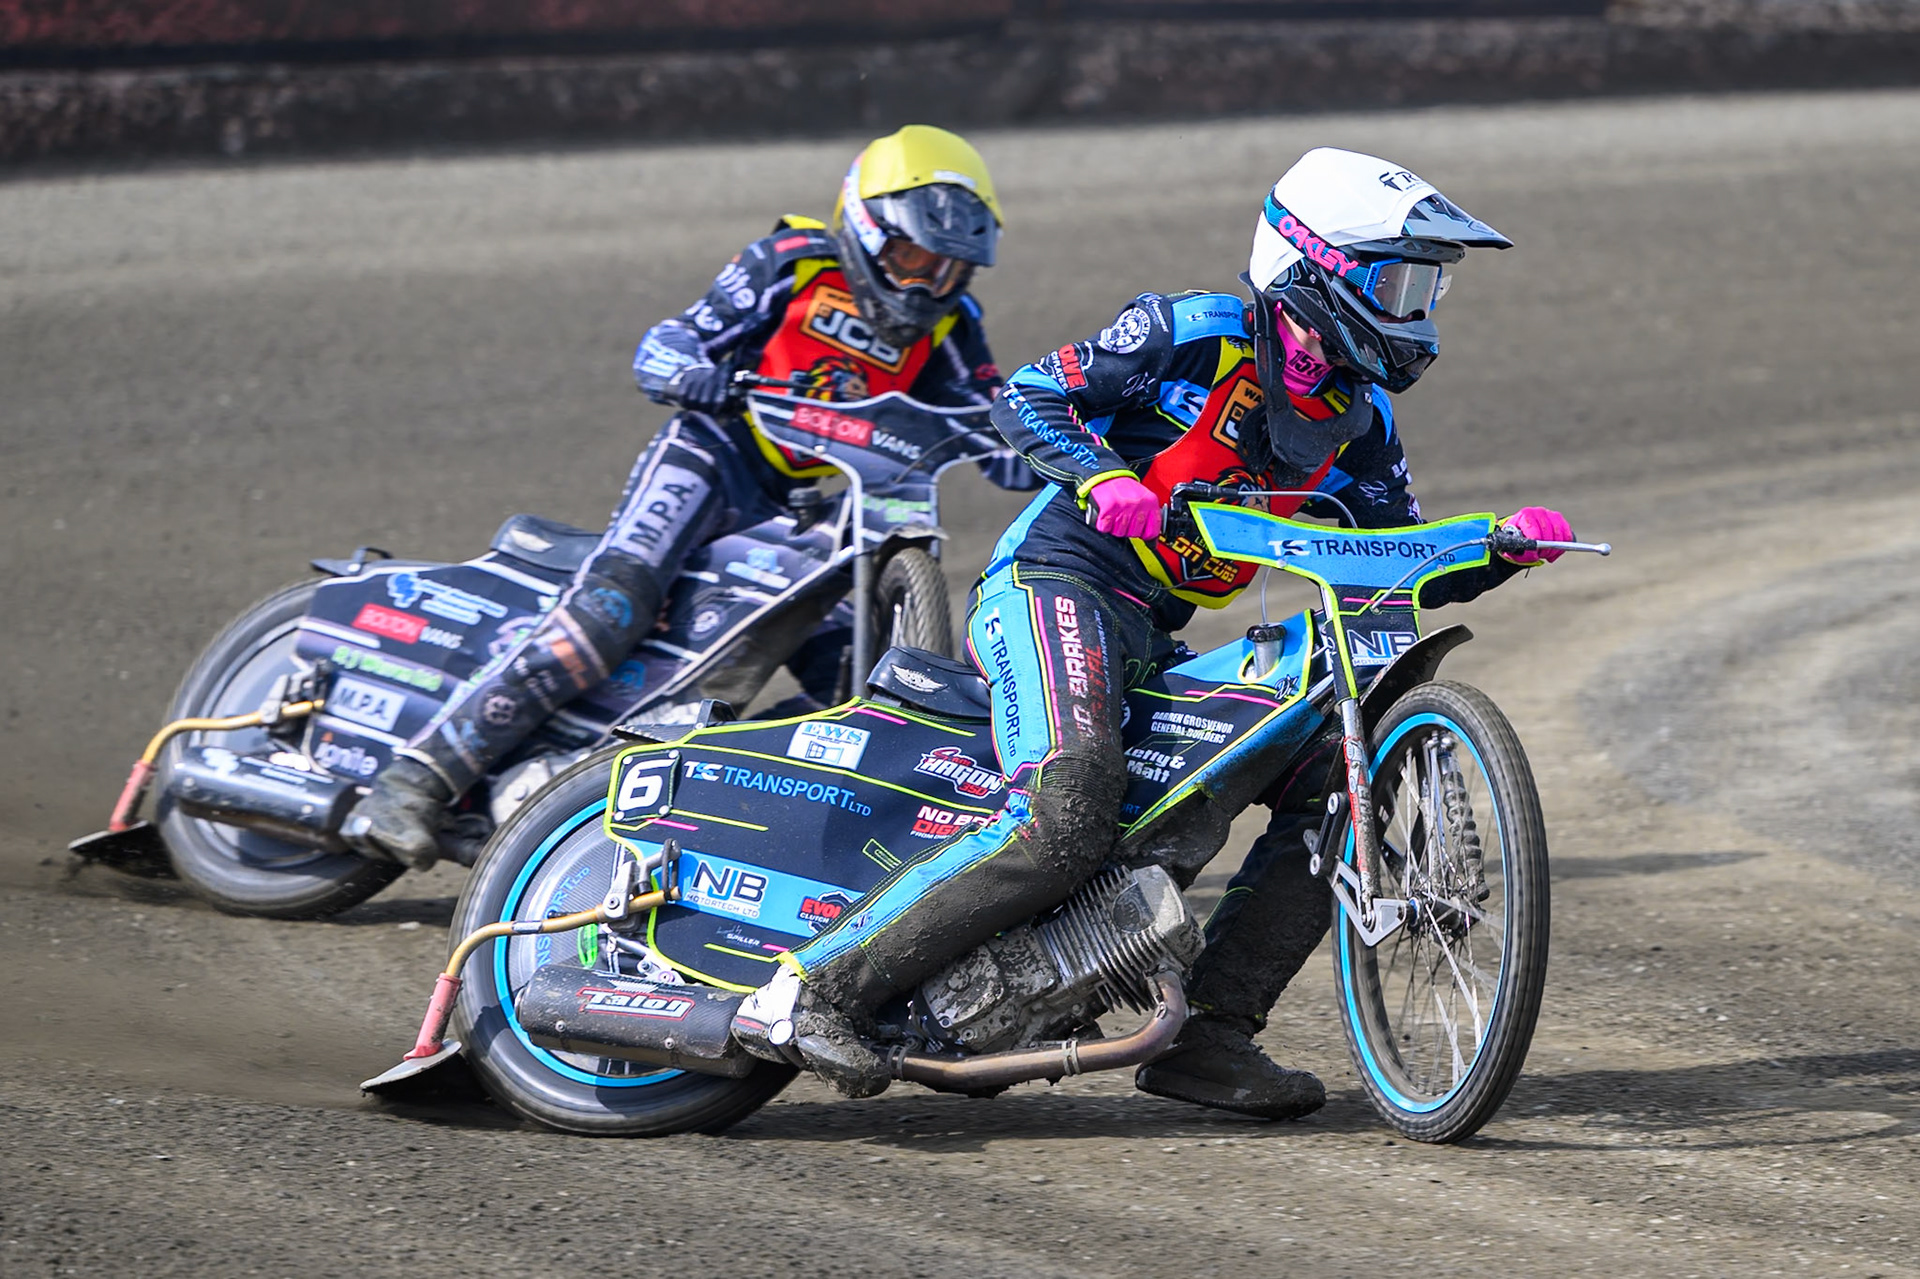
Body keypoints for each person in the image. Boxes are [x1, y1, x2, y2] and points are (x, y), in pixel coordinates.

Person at [732, 147, 1576, 1113]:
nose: (1418, 307)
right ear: (1318, 267)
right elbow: (1031, 394)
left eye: (1429, 286)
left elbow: (1395, 556)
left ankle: (1209, 1037)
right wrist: (1104, 477)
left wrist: (1499, 549)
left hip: (1152, 632)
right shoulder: (1194, 332)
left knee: (1339, 786)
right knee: (1068, 807)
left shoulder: (1362, 417)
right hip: (1057, 580)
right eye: (1400, 279)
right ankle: (807, 989)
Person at [347, 125, 1030, 870]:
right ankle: (412, 780)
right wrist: (694, 374)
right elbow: (667, 344)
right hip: (711, 460)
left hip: (808, 507)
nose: (929, 284)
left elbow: (994, 420)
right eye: (912, 258)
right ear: (867, 230)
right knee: (605, 615)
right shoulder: (793, 264)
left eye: (950, 268)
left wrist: (1049, 454)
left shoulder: (954, 328)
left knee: (855, 686)